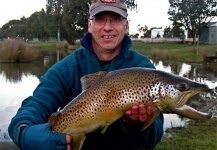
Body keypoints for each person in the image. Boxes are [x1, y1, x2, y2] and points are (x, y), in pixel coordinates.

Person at [8, 0, 164, 150]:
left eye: (115, 19)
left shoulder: (144, 69)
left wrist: (136, 126)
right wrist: (23, 133)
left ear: (126, 26)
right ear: (90, 25)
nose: (107, 27)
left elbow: (153, 139)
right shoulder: (66, 69)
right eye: (100, 19)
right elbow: (36, 106)